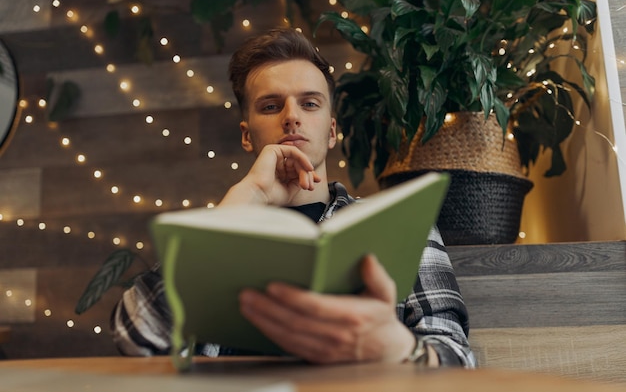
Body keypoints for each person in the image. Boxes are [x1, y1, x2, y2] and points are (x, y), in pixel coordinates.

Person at [110, 27, 476, 368]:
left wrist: (398, 347)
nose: (291, 118)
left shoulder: (400, 226)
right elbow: (134, 337)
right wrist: (245, 199)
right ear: (246, 135)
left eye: (310, 104)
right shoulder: (219, 227)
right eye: (270, 106)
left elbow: (458, 358)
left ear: (331, 131)